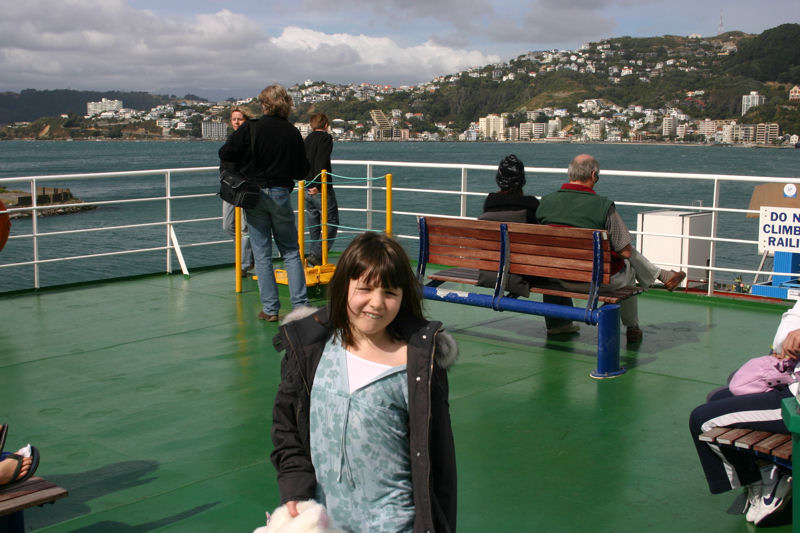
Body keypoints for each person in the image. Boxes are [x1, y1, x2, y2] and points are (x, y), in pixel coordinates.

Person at [270, 231, 458, 533]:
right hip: (324, 523)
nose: (376, 303)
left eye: (390, 293)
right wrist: (295, 487)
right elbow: (287, 427)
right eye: (365, 289)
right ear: (343, 286)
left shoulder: (419, 365)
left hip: (394, 524)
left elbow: (439, 464)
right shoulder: (311, 351)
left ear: (404, 297)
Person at [536, 154, 686, 343]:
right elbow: (625, 251)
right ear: (593, 175)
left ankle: (558, 324)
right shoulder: (603, 206)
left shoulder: (546, 202)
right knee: (630, 266)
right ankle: (632, 326)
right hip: (595, 281)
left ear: (569, 174)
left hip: (555, 277)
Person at [689, 301, 800, 525]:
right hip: (791, 382)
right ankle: (764, 475)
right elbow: (786, 332)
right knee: (716, 398)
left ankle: (763, 483)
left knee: (702, 420)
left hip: (795, 403)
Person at [219, 84, 310, 322]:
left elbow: (226, 153)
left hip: (254, 194)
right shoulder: (291, 132)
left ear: (265, 104)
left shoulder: (251, 127)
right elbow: (302, 171)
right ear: (285, 104)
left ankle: (270, 309)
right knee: (290, 251)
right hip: (280, 193)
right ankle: (300, 307)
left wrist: (244, 168)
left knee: (261, 254)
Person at [478, 154, 578, 336]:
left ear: (499, 179)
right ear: (522, 180)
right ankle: (558, 324)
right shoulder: (531, 205)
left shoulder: (489, 203)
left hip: (491, 270)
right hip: (521, 273)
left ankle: (561, 323)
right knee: (554, 271)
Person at [220, 107, 255, 277]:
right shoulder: (231, 139)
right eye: (234, 119)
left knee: (245, 228)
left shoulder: (251, 139)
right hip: (229, 188)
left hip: (245, 188)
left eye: (239, 119)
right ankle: (248, 255)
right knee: (228, 226)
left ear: (246, 120)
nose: (236, 122)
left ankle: (244, 264)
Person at [303, 113, 339, 267]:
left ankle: (315, 255)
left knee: (314, 223)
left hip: (306, 187)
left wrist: (308, 183)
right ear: (326, 125)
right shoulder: (325, 138)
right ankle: (317, 254)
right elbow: (322, 161)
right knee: (332, 221)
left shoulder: (307, 139)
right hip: (320, 188)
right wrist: (319, 185)